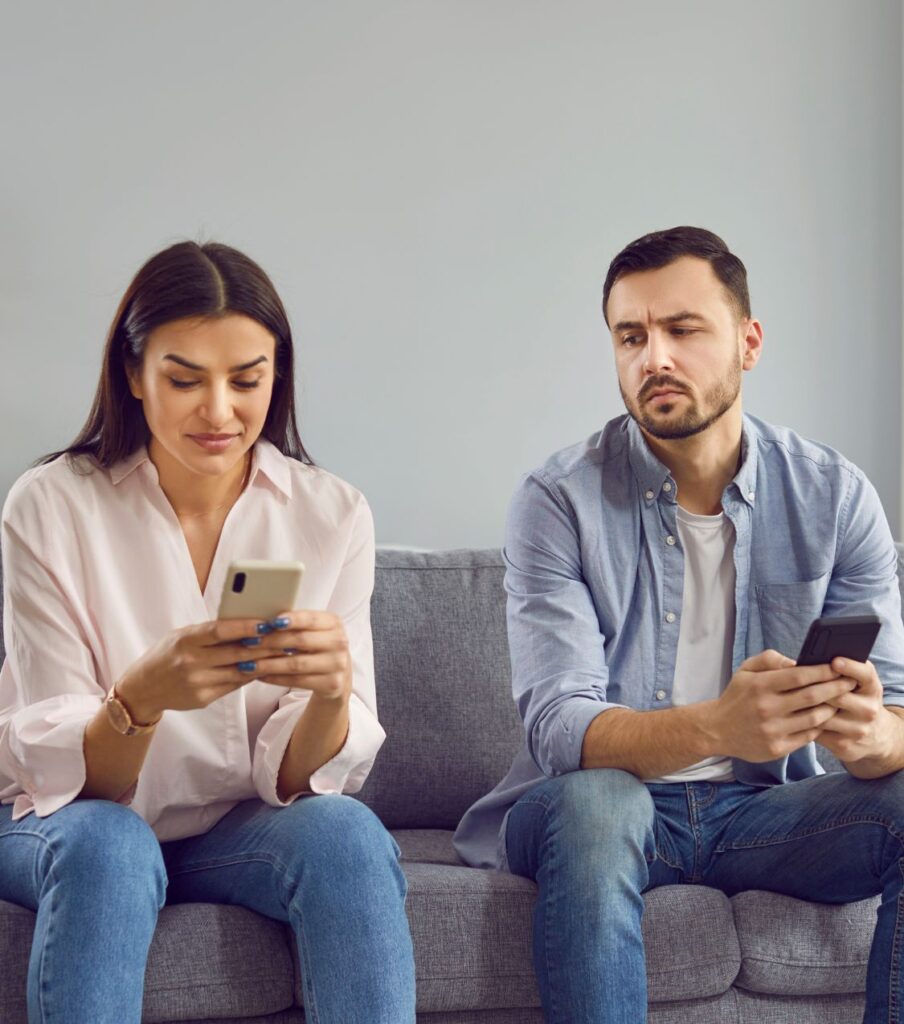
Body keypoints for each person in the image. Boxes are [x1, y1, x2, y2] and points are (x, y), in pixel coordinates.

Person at [454, 226, 904, 1023]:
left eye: (682, 329)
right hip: (603, 809)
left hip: (767, 813)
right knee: (601, 804)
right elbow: (562, 727)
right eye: (631, 336)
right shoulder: (558, 500)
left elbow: (898, 714)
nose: (653, 357)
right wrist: (720, 727)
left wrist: (869, 739)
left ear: (748, 341)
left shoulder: (835, 496)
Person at [0, 241, 416, 1024]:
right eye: (184, 379)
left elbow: (295, 784)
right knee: (110, 848)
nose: (219, 411)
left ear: (276, 378)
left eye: (247, 380)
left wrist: (329, 694)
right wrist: (138, 699)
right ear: (133, 376)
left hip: (235, 829)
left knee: (344, 835)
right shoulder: (49, 506)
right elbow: (70, 781)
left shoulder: (331, 514)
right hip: (74, 820)